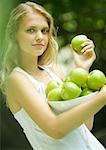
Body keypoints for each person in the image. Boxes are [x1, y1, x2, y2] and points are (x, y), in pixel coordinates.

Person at [0, 1, 106, 150]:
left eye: (44, 30)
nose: (40, 37)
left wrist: (83, 69)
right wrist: (102, 97)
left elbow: (85, 126)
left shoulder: (54, 70)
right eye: (31, 30)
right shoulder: (17, 79)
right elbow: (55, 129)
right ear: (14, 35)